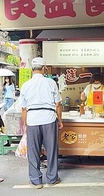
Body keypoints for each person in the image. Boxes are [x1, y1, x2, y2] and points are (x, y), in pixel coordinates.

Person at [19, 57, 63, 189]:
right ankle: (52, 178)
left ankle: (35, 181)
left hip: (32, 119)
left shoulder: (26, 85)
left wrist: (25, 125)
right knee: (51, 149)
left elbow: (24, 108)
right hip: (49, 118)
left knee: (33, 151)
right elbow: (58, 105)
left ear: (33, 70)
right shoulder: (51, 83)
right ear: (44, 69)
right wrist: (59, 120)